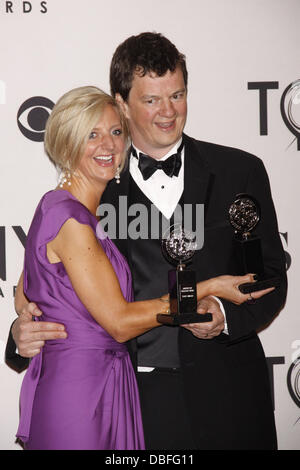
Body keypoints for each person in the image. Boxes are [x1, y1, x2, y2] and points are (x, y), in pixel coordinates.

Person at [7, 33, 287, 450]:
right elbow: (39, 286)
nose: (168, 112)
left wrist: (226, 315)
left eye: (177, 95)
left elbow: (269, 278)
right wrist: (19, 333)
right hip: (132, 402)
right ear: (122, 102)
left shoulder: (239, 172)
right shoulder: (92, 192)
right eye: (151, 100)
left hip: (228, 396)